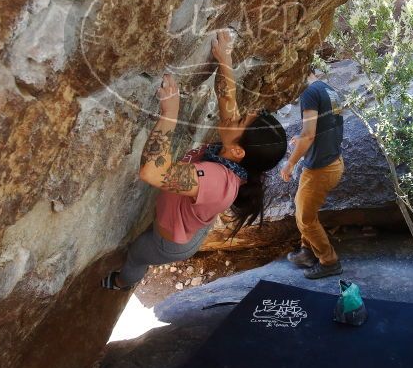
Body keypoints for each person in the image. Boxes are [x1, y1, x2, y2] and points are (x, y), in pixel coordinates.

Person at [102, 30, 287, 290]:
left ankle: (120, 283)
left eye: (240, 120)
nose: (234, 116)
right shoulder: (233, 149)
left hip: (168, 244)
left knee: (135, 255)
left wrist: (170, 113)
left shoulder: (217, 181)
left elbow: (153, 174)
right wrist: (224, 58)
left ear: (238, 152)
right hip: (189, 223)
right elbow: (227, 98)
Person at [280, 64, 344, 279]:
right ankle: (307, 251)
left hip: (320, 169)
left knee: (305, 219)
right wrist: (302, 140)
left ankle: (329, 261)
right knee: (304, 211)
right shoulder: (329, 90)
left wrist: (290, 163)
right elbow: (327, 127)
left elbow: (309, 135)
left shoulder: (309, 92)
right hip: (333, 162)